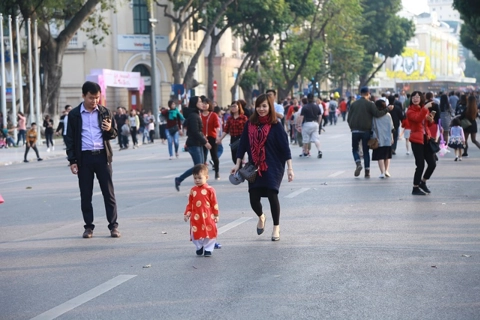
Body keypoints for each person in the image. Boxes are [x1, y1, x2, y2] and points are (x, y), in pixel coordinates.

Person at [231, 93, 294, 241]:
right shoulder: (250, 124)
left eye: (264, 106)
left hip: (273, 166)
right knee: (253, 198)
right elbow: (243, 145)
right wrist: (237, 164)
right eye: (258, 106)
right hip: (254, 166)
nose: (261, 109)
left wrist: (290, 168)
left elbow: (285, 148)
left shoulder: (276, 125)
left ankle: (276, 228)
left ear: (270, 107)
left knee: (272, 194)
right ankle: (261, 216)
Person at [65, 81, 120, 238]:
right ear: (83, 96)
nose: (94, 101)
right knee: (86, 194)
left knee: (108, 193)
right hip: (85, 158)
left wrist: (109, 129)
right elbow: (69, 140)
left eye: (97, 98)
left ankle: (113, 226)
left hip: (103, 157)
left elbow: (114, 134)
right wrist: (72, 160)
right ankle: (88, 227)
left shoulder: (105, 112)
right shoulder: (74, 115)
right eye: (91, 98)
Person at [347, 87, 391, 178]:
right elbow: (377, 114)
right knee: (366, 151)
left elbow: (348, 118)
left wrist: (352, 127)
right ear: (368, 94)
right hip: (366, 131)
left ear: (361, 93)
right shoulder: (370, 104)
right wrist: (387, 109)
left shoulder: (354, 104)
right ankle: (367, 171)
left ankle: (358, 162)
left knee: (355, 149)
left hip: (355, 130)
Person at [174, 96, 211, 192]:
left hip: (197, 143)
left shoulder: (195, 114)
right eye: (199, 102)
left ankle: (203, 185)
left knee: (201, 166)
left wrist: (204, 139)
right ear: (195, 103)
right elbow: (195, 131)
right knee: (198, 167)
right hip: (194, 144)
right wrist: (205, 142)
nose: (202, 103)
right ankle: (179, 179)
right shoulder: (194, 115)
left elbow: (197, 131)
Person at [183, 164, 219, 257]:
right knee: (195, 233)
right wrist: (187, 213)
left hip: (208, 217)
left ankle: (208, 249)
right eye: (195, 178)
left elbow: (214, 203)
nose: (197, 180)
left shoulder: (210, 190)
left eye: (199, 178)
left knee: (210, 233)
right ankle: (199, 247)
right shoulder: (193, 190)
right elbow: (190, 203)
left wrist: (216, 215)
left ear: (206, 177)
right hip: (196, 217)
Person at [406, 91, 436, 196]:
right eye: (413, 97)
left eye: (418, 97)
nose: (415, 98)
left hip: (426, 138)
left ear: (421, 98)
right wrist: (425, 109)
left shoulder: (423, 108)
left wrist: (430, 119)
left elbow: (428, 123)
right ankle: (415, 188)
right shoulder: (410, 111)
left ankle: (423, 182)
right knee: (420, 165)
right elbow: (418, 118)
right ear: (411, 99)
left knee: (432, 163)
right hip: (416, 139)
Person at [371, 100, 394, 178]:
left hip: (378, 138)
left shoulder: (375, 116)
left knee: (380, 156)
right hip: (388, 138)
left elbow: (373, 127)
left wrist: (374, 137)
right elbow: (391, 127)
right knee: (387, 156)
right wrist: (392, 137)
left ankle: (382, 172)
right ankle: (387, 171)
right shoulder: (388, 115)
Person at [201, 99, 221, 180]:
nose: (204, 105)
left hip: (212, 137)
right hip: (202, 138)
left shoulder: (213, 115)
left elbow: (217, 127)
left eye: (206, 104)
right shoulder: (199, 115)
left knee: (214, 156)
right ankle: (203, 174)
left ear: (209, 105)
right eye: (203, 104)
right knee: (203, 157)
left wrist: (217, 137)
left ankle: (217, 172)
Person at [299, 93, 323, 159]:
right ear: (313, 98)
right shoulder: (317, 106)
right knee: (316, 139)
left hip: (307, 124)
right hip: (315, 123)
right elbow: (320, 116)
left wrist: (299, 125)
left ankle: (306, 153)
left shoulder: (305, 107)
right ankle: (319, 151)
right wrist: (318, 123)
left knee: (305, 139)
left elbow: (301, 117)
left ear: (307, 98)